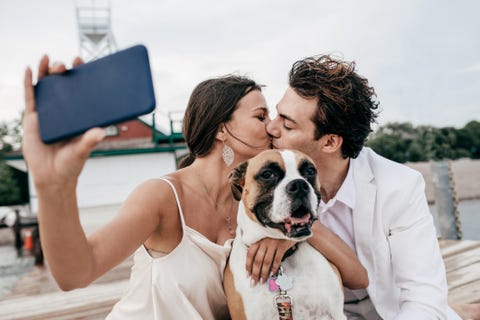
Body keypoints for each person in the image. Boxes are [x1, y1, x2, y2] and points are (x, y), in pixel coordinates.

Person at [22, 55, 367, 319]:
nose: (274, 129)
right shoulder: (162, 196)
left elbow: (356, 275)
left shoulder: (257, 209)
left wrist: (296, 232)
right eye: (261, 117)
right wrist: (54, 188)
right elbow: (76, 272)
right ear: (221, 130)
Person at [265, 54, 477, 319]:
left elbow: (424, 299)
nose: (271, 128)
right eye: (275, 115)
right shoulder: (265, 183)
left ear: (330, 143)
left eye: (286, 124)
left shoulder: (400, 187)